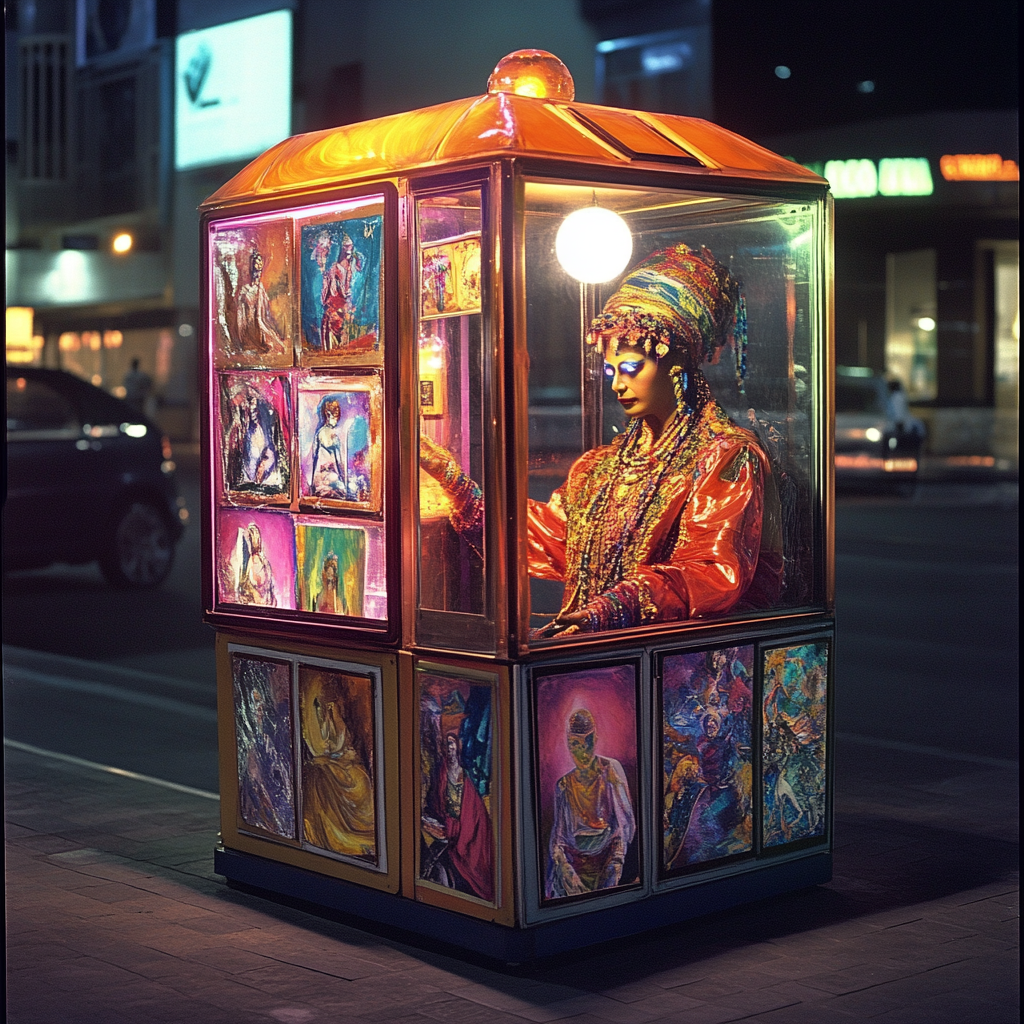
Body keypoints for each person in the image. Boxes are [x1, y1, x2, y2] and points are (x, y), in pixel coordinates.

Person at [420, 243, 783, 636]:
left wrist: (617, 607)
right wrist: (454, 483)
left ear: (676, 360)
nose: (617, 384)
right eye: (610, 369)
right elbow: (555, 538)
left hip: (664, 658)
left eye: (631, 367)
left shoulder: (724, 457)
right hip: (591, 649)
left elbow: (712, 571)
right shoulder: (601, 467)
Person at [546, 708, 636, 898]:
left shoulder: (610, 771)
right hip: (574, 866)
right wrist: (567, 871)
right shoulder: (563, 785)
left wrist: (614, 865)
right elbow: (559, 839)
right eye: (575, 745)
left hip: (607, 861)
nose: (582, 752)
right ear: (569, 745)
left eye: (587, 743)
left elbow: (624, 827)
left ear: (595, 740)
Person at [421, 731, 495, 901]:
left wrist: (455, 829)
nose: (450, 748)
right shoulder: (440, 773)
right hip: (446, 823)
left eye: (452, 743)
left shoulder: (464, 775)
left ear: (457, 747)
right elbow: (438, 803)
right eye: (446, 744)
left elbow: (471, 811)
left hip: (465, 827)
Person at [302, 693, 376, 858]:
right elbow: (322, 749)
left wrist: (343, 755)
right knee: (322, 779)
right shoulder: (314, 727)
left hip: (339, 762)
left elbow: (342, 743)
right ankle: (333, 836)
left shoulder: (338, 722)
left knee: (360, 779)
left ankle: (361, 831)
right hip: (327, 765)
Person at [316, 231, 364, 351]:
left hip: (346, 313)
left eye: (350, 247)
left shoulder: (352, 268)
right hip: (334, 312)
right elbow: (327, 296)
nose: (349, 250)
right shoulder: (333, 270)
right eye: (346, 247)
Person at [236, 246, 285, 353]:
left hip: (258, 315)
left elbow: (264, 309)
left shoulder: (260, 287)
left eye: (260, 262)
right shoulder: (245, 289)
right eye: (257, 262)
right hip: (250, 312)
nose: (260, 264)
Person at [235, 523, 276, 606]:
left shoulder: (258, 561)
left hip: (260, 604)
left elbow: (262, 583)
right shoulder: (261, 561)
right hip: (259, 604)